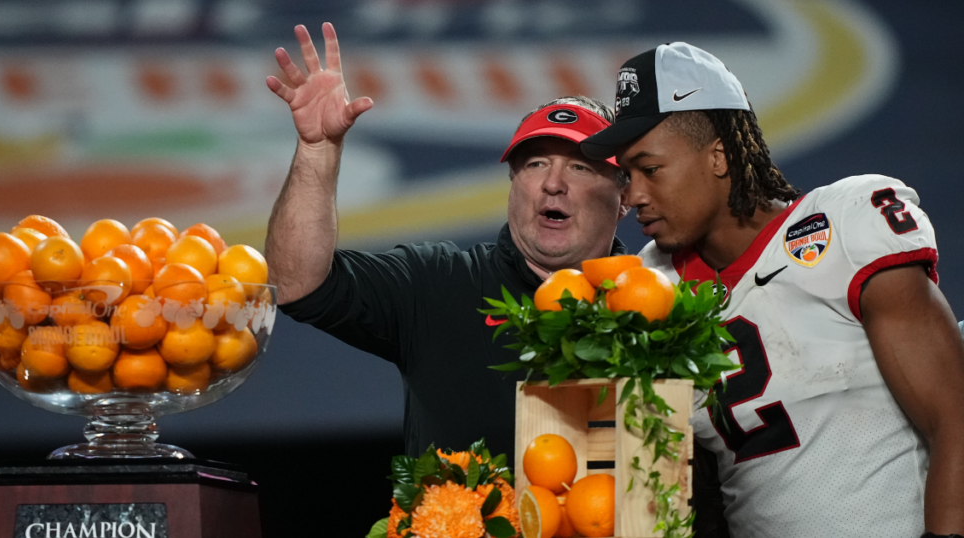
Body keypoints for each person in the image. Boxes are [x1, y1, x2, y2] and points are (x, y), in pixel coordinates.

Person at [580, 42, 964, 537]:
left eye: (649, 169)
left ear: (718, 157)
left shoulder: (843, 225)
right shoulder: (647, 289)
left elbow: (955, 418)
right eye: (625, 176)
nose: (633, 196)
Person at [263, 23, 628, 460]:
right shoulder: (440, 284)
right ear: (514, 183)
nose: (552, 183)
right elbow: (294, 282)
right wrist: (317, 150)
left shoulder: (660, 307)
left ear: (625, 195)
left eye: (580, 168)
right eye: (534, 164)